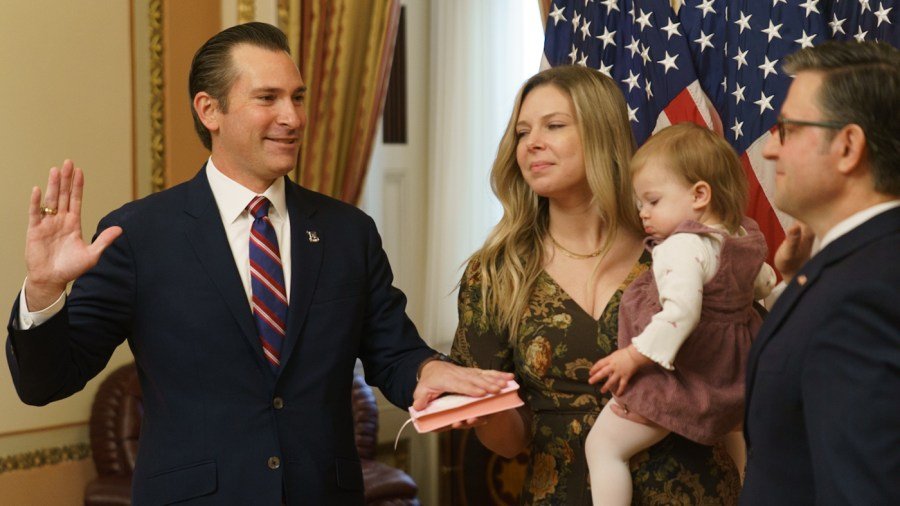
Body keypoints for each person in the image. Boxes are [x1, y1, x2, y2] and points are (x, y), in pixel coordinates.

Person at [5, 22, 512, 505]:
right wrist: (45, 290)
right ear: (210, 110)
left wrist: (429, 372)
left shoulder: (347, 231)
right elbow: (45, 383)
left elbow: (392, 351)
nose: (292, 117)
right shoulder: (138, 235)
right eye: (267, 98)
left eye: (297, 97)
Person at [450, 65, 742, 505]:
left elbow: (735, 372)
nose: (532, 143)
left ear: (601, 134)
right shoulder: (495, 272)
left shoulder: (680, 248)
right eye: (522, 131)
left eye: (554, 126)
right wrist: (480, 414)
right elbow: (510, 443)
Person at [741, 41, 900, 505]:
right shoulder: (855, 266)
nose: (769, 150)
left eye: (786, 129)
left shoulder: (864, 294)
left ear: (848, 146)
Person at [583, 123, 775, 505]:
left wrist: (632, 355)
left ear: (699, 194)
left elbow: (682, 312)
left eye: (652, 201)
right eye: (640, 204)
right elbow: (764, 284)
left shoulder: (682, 245)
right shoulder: (742, 236)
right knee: (739, 443)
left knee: (603, 446)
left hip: (686, 374)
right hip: (733, 377)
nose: (643, 214)